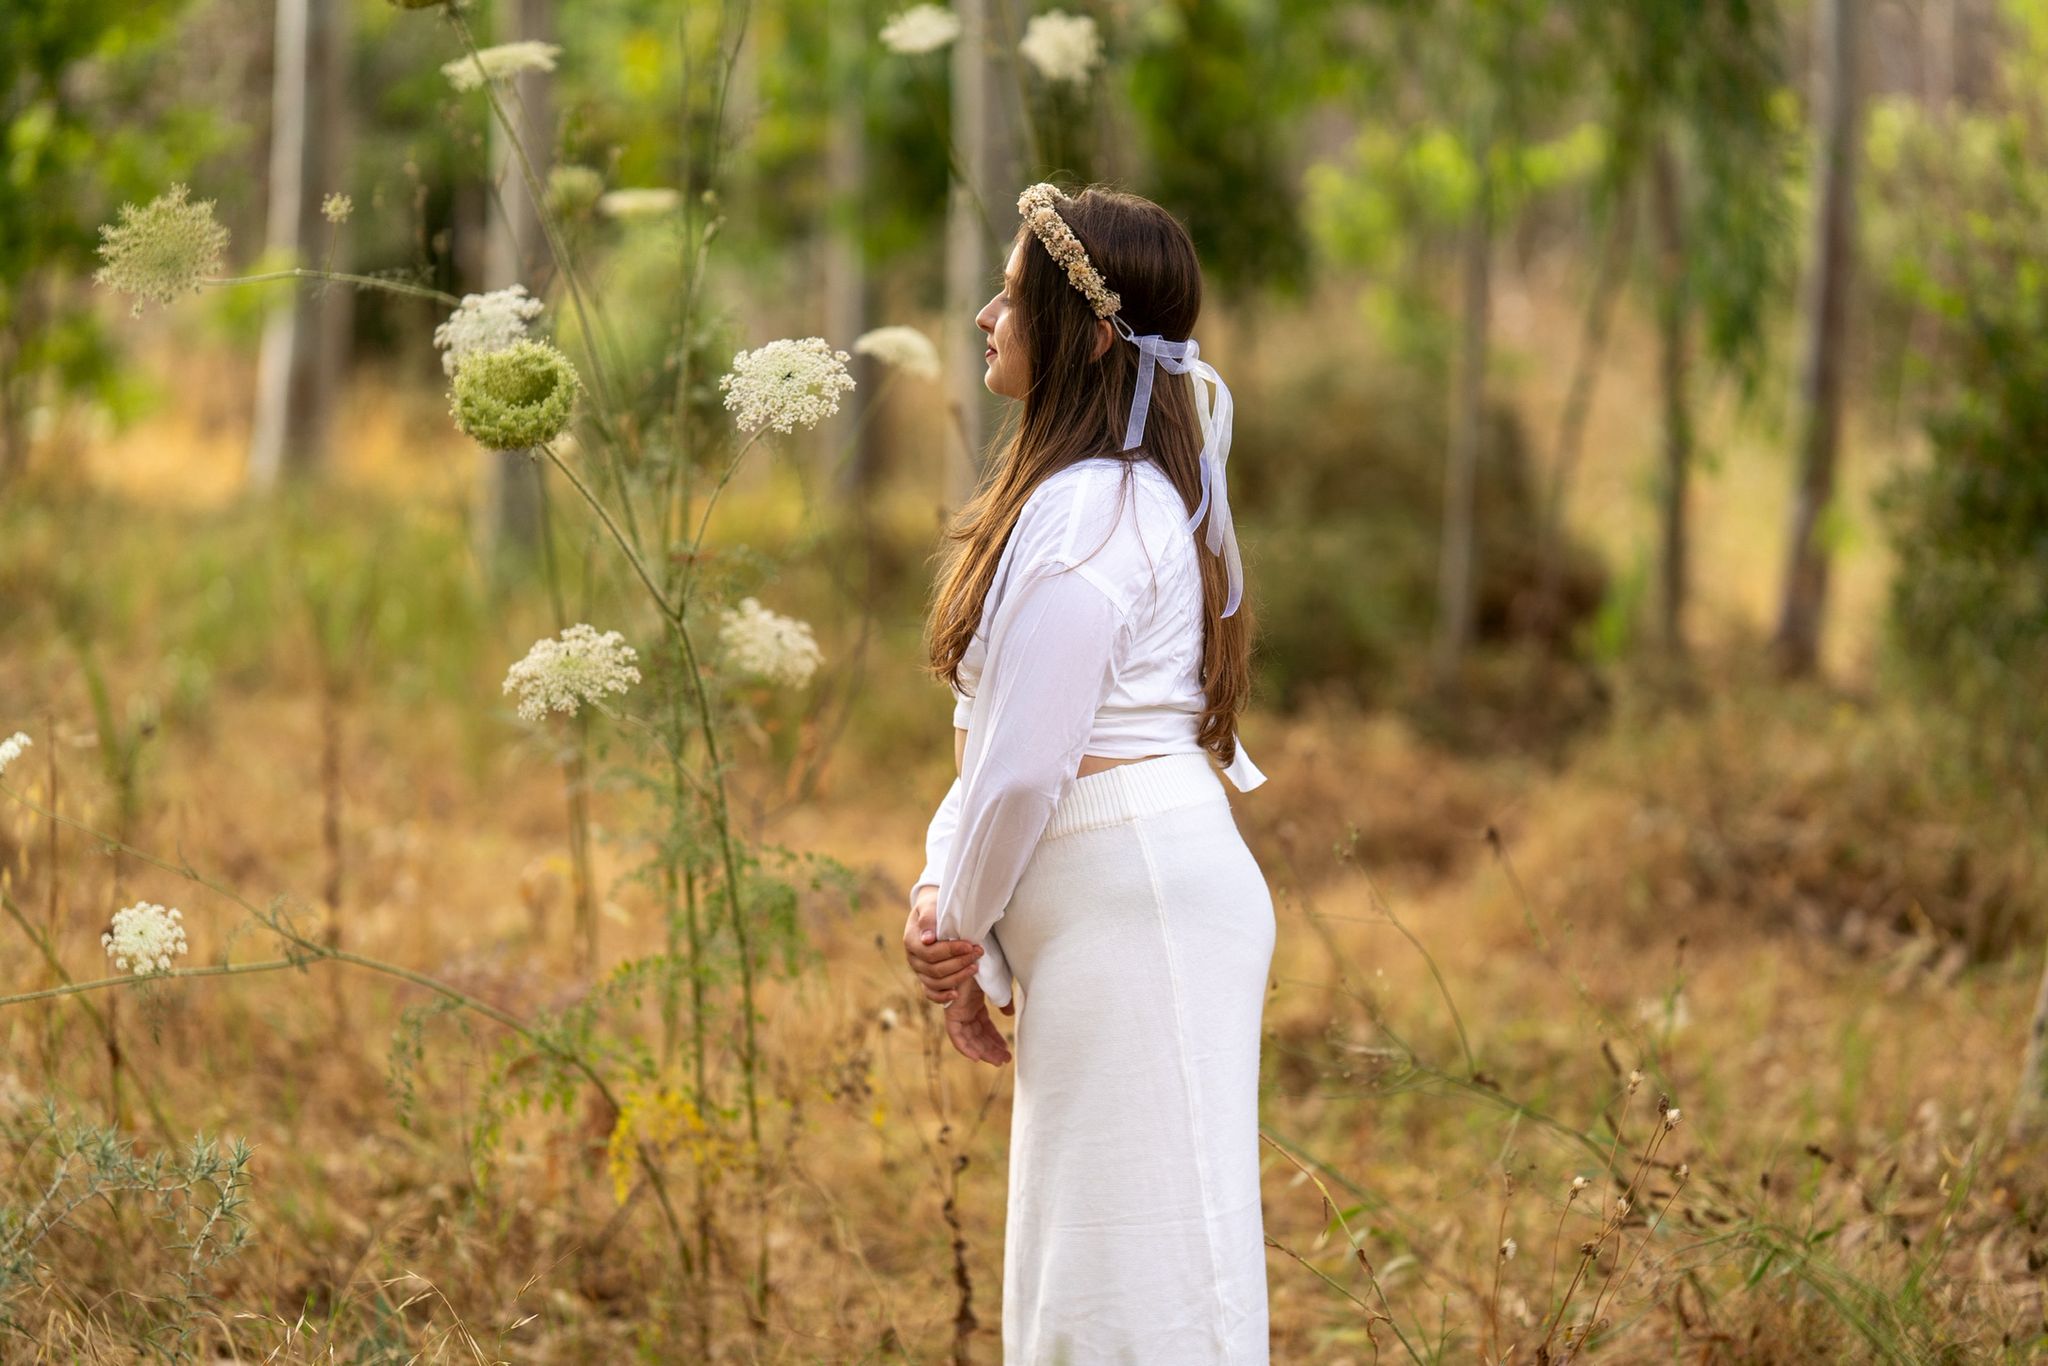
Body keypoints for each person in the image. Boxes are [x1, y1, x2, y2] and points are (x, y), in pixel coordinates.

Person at [900, 182, 1276, 1365]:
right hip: (1112, 903)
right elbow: (1001, 743)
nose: (983, 315)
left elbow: (1021, 772)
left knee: (1141, 1275)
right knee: (1090, 1265)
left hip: (1138, 906)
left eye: (1012, 294)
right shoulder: (1091, 497)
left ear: (1092, 335)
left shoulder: (1094, 508)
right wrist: (947, 902)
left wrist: (953, 929)